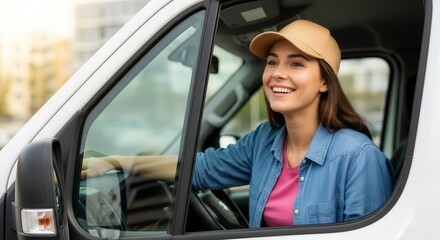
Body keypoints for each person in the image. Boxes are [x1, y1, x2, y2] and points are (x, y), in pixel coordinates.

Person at [82, 19, 394, 228]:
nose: (277, 73)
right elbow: (198, 169)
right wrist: (116, 161)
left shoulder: (359, 157)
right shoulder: (265, 140)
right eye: (273, 61)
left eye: (296, 63)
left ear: (325, 82)